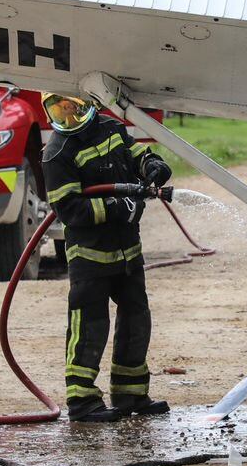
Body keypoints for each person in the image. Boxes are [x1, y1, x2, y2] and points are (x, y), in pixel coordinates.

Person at [40, 93, 174, 422]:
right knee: (90, 325)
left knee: (136, 318)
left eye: (73, 108)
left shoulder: (112, 128)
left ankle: (131, 394)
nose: (68, 117)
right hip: (90, 256)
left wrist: (151, 165)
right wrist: (118, 207)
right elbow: (70, 209)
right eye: (60, 111)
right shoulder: (56, 153)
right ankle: (82, 400)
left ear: (89, 104)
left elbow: (135, 153)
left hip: (128, 250)